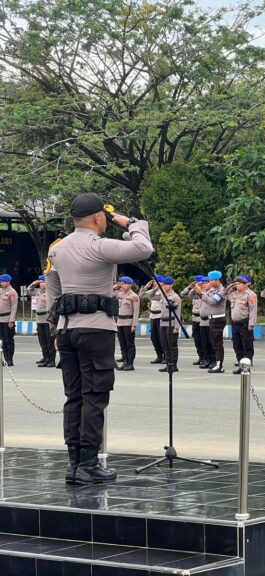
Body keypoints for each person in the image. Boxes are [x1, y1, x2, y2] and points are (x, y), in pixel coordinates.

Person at [46, 192, 153, 484]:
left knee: (74, 397)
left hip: (67, 330)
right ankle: (89, 465)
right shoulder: (100, 246)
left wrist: (56, 328)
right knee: (95, 396)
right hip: (96, 330)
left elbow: (53, 291)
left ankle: (74, 464)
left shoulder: (57, 249)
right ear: (97, 217)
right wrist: (131, 223)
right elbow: (144, 248)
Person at [198, 270, 227, 373]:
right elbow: (204, 298)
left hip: (218, 319)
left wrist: (202, 293)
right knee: (214, 343)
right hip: (212, 319)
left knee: (217, 343)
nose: (209, 282)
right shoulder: (212, 290)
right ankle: (218, 364)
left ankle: (219, 365)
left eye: (211, 280)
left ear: (217, 280)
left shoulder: (222, 291)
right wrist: (200, 292)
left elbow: (212, 301)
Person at [228, 276, 258, 374]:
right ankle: (241, 365)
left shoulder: (250, 295)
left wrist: (251, 323)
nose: (237, 285)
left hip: (245, 323)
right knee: (237, 346)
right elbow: (223, 293)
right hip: (235, 323)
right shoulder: (234, 294)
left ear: (245, 285)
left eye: (239, 284)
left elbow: (253, 310)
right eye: (236, 284)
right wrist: (230, 286)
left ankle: (247, 367)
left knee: (246, 346)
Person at [154, 277, 182, 373]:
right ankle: (168, 364)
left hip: (171, 323)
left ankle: (173, 365)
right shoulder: (162, 295)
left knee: (172, 345)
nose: (164, 286)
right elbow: (149, 295)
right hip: (163, 323)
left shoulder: (175, 297)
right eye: (164, 284)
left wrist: (177, 327)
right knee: (165, 345)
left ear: (171, 285)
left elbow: (178, 313)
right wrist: (157, 287)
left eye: (166, 284)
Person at [27, 275, 56, 367]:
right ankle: (45, 357)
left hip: (47, 320)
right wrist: (35, 282)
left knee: (49, 341)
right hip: (39, 320)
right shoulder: (38, 292)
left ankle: (51, 360)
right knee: (42, 341)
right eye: (41, 282)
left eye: (43, 282)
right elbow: (29, 290)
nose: (41, 284)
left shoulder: (50, 293)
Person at [114, 276, 139, 371]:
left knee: (130, 344)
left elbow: (136, 312)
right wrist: (115, 287)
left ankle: (130, 363)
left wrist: (134, 325)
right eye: (122, 283)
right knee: (122, 344)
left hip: (128, 322)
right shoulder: (119, 294)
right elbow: (108, 294)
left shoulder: (134, 296)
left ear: (130, 285)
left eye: (125, 284)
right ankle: (125, 362)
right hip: (120, 322)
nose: (123, 285)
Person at [181, 275, 206, 366]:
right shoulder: (194, 292)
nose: (198, 284)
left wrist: (200, 289)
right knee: (197, 339)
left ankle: (205, 357)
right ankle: (200, 357)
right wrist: (190, 287)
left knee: (203, 340)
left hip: (202, 318)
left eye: (199, 282)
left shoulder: (205, 292)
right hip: (195, 318)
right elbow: (183, 294)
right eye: (196, 282)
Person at [139, 279, 165, 364]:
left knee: (161, 338)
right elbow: (141, 295)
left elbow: (154, 296)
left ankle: (165, 356)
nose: (155, 283)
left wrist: (156, 289)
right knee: (154, 337)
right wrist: (146, 287)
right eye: (154, 282)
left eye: (157, 282)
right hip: (153, 316)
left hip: (160, 316)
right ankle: (159, 356)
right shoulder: (152, 291)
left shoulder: (163, 291)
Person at [0, 274, 18, 366]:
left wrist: (11, 320)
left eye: (3, 281)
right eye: (1, 281)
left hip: (7, 319)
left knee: (8, 340)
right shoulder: (0, 291)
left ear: (8, 282)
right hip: (0, 319)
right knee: (2, 341)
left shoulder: (12, 292)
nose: (1, 283)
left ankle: (10, 359)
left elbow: (14, 307)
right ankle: (4, 358)